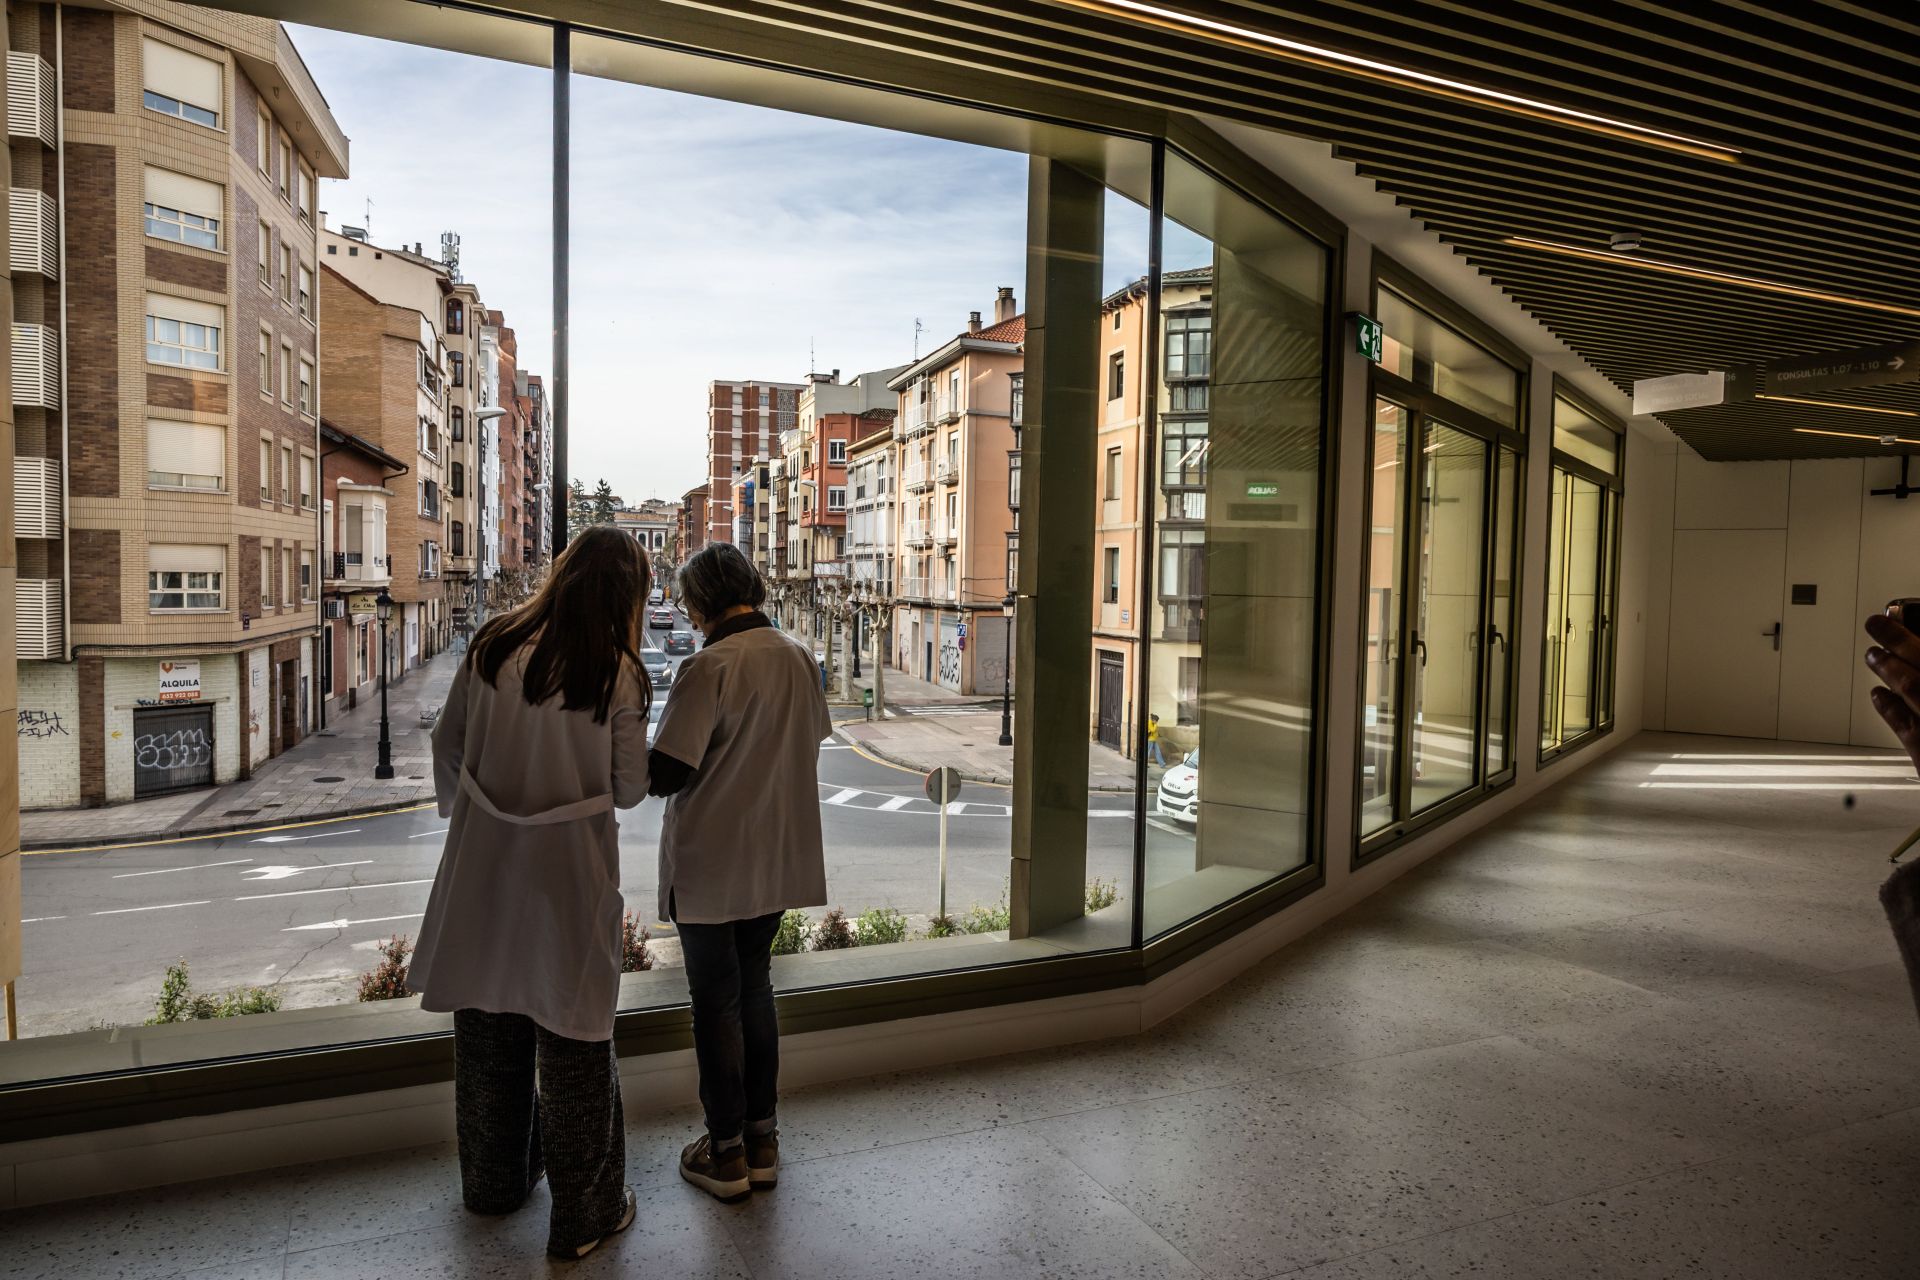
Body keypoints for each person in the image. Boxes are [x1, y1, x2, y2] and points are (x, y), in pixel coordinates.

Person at [411, 526, 653, 1261]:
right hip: (569, 877)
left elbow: (446, 746)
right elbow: (631, 791)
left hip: (483, 869)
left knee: (488, 1029)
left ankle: (494, 1184)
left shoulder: (490, 647)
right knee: (576, 1038)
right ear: (627, 596)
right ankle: (585, 1216)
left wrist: (486, 816)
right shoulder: (617, 675)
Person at [649, 542, 831, 1202]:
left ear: (699, 603)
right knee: (756, 990)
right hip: (774, 855)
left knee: (714, 1005)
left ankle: (723, 1154)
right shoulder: (798, 657)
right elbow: (810, 738)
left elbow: (666, 772)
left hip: (711, 863)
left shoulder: (710, 666)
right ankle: (763, 1143)